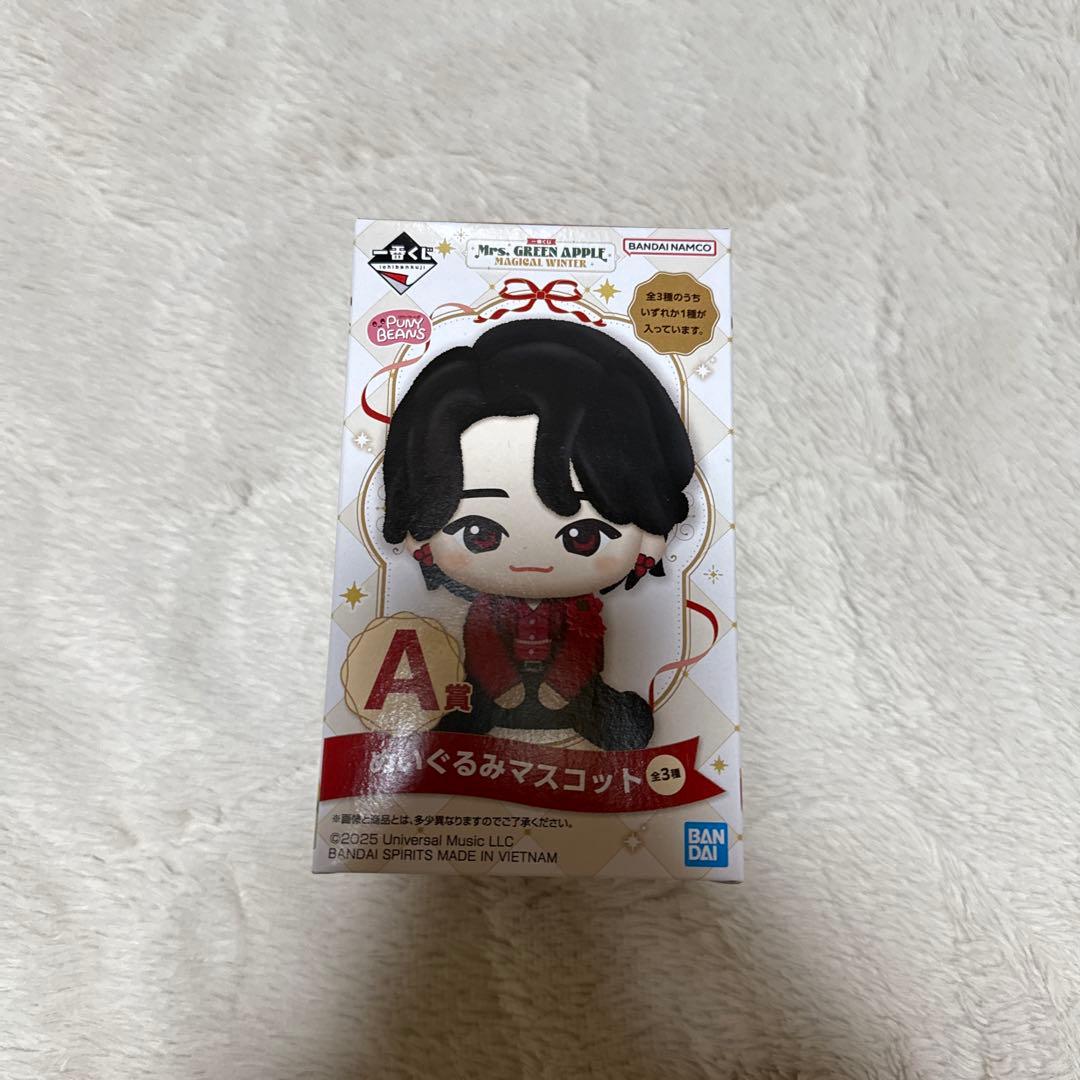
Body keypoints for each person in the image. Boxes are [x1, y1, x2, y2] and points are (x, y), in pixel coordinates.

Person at [381, 319, 694, 750]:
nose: (531, 558)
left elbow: (584, 652)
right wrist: (503, 686)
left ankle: (598, 716)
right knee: (473, 704)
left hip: (570, 689)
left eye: (583, 537)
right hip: (499, 687)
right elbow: (483, 648)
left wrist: (562, 687)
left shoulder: (582, 611)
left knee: (594, 706)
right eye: (479, 534)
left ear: (651, 534)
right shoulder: (488, 610)